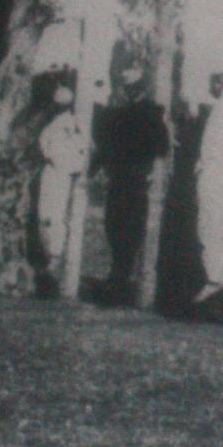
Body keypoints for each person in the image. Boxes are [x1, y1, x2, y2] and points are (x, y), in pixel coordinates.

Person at [89, 63, 170, 306]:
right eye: (128, 87)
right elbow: (106, 145)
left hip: (135, 180)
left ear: (141, 88)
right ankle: (118, 277)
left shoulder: (150, 113)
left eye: (134, 87)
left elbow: (161, 147)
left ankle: (121, 282)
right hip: (119, 179)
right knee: (114, 228)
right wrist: (95, 168)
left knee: (128, 232)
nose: (130, 91)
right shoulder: (121, 112)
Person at [194, 71, 223, 306]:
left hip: (217, 173)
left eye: (213, 82)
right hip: (214, 172)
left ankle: (216, 278)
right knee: (211, 224)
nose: (210, 87)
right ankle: (216, 275)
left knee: (213, 225)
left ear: (222, 83)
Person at [34, 86, 87, 289]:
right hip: (51, 172)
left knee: (53, 217)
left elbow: (81, 153)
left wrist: (70, 169)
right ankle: (49, 259)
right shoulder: (53, 124)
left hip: (61, 174)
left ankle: (54, 261)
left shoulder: (73, 124)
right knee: (45, 217)